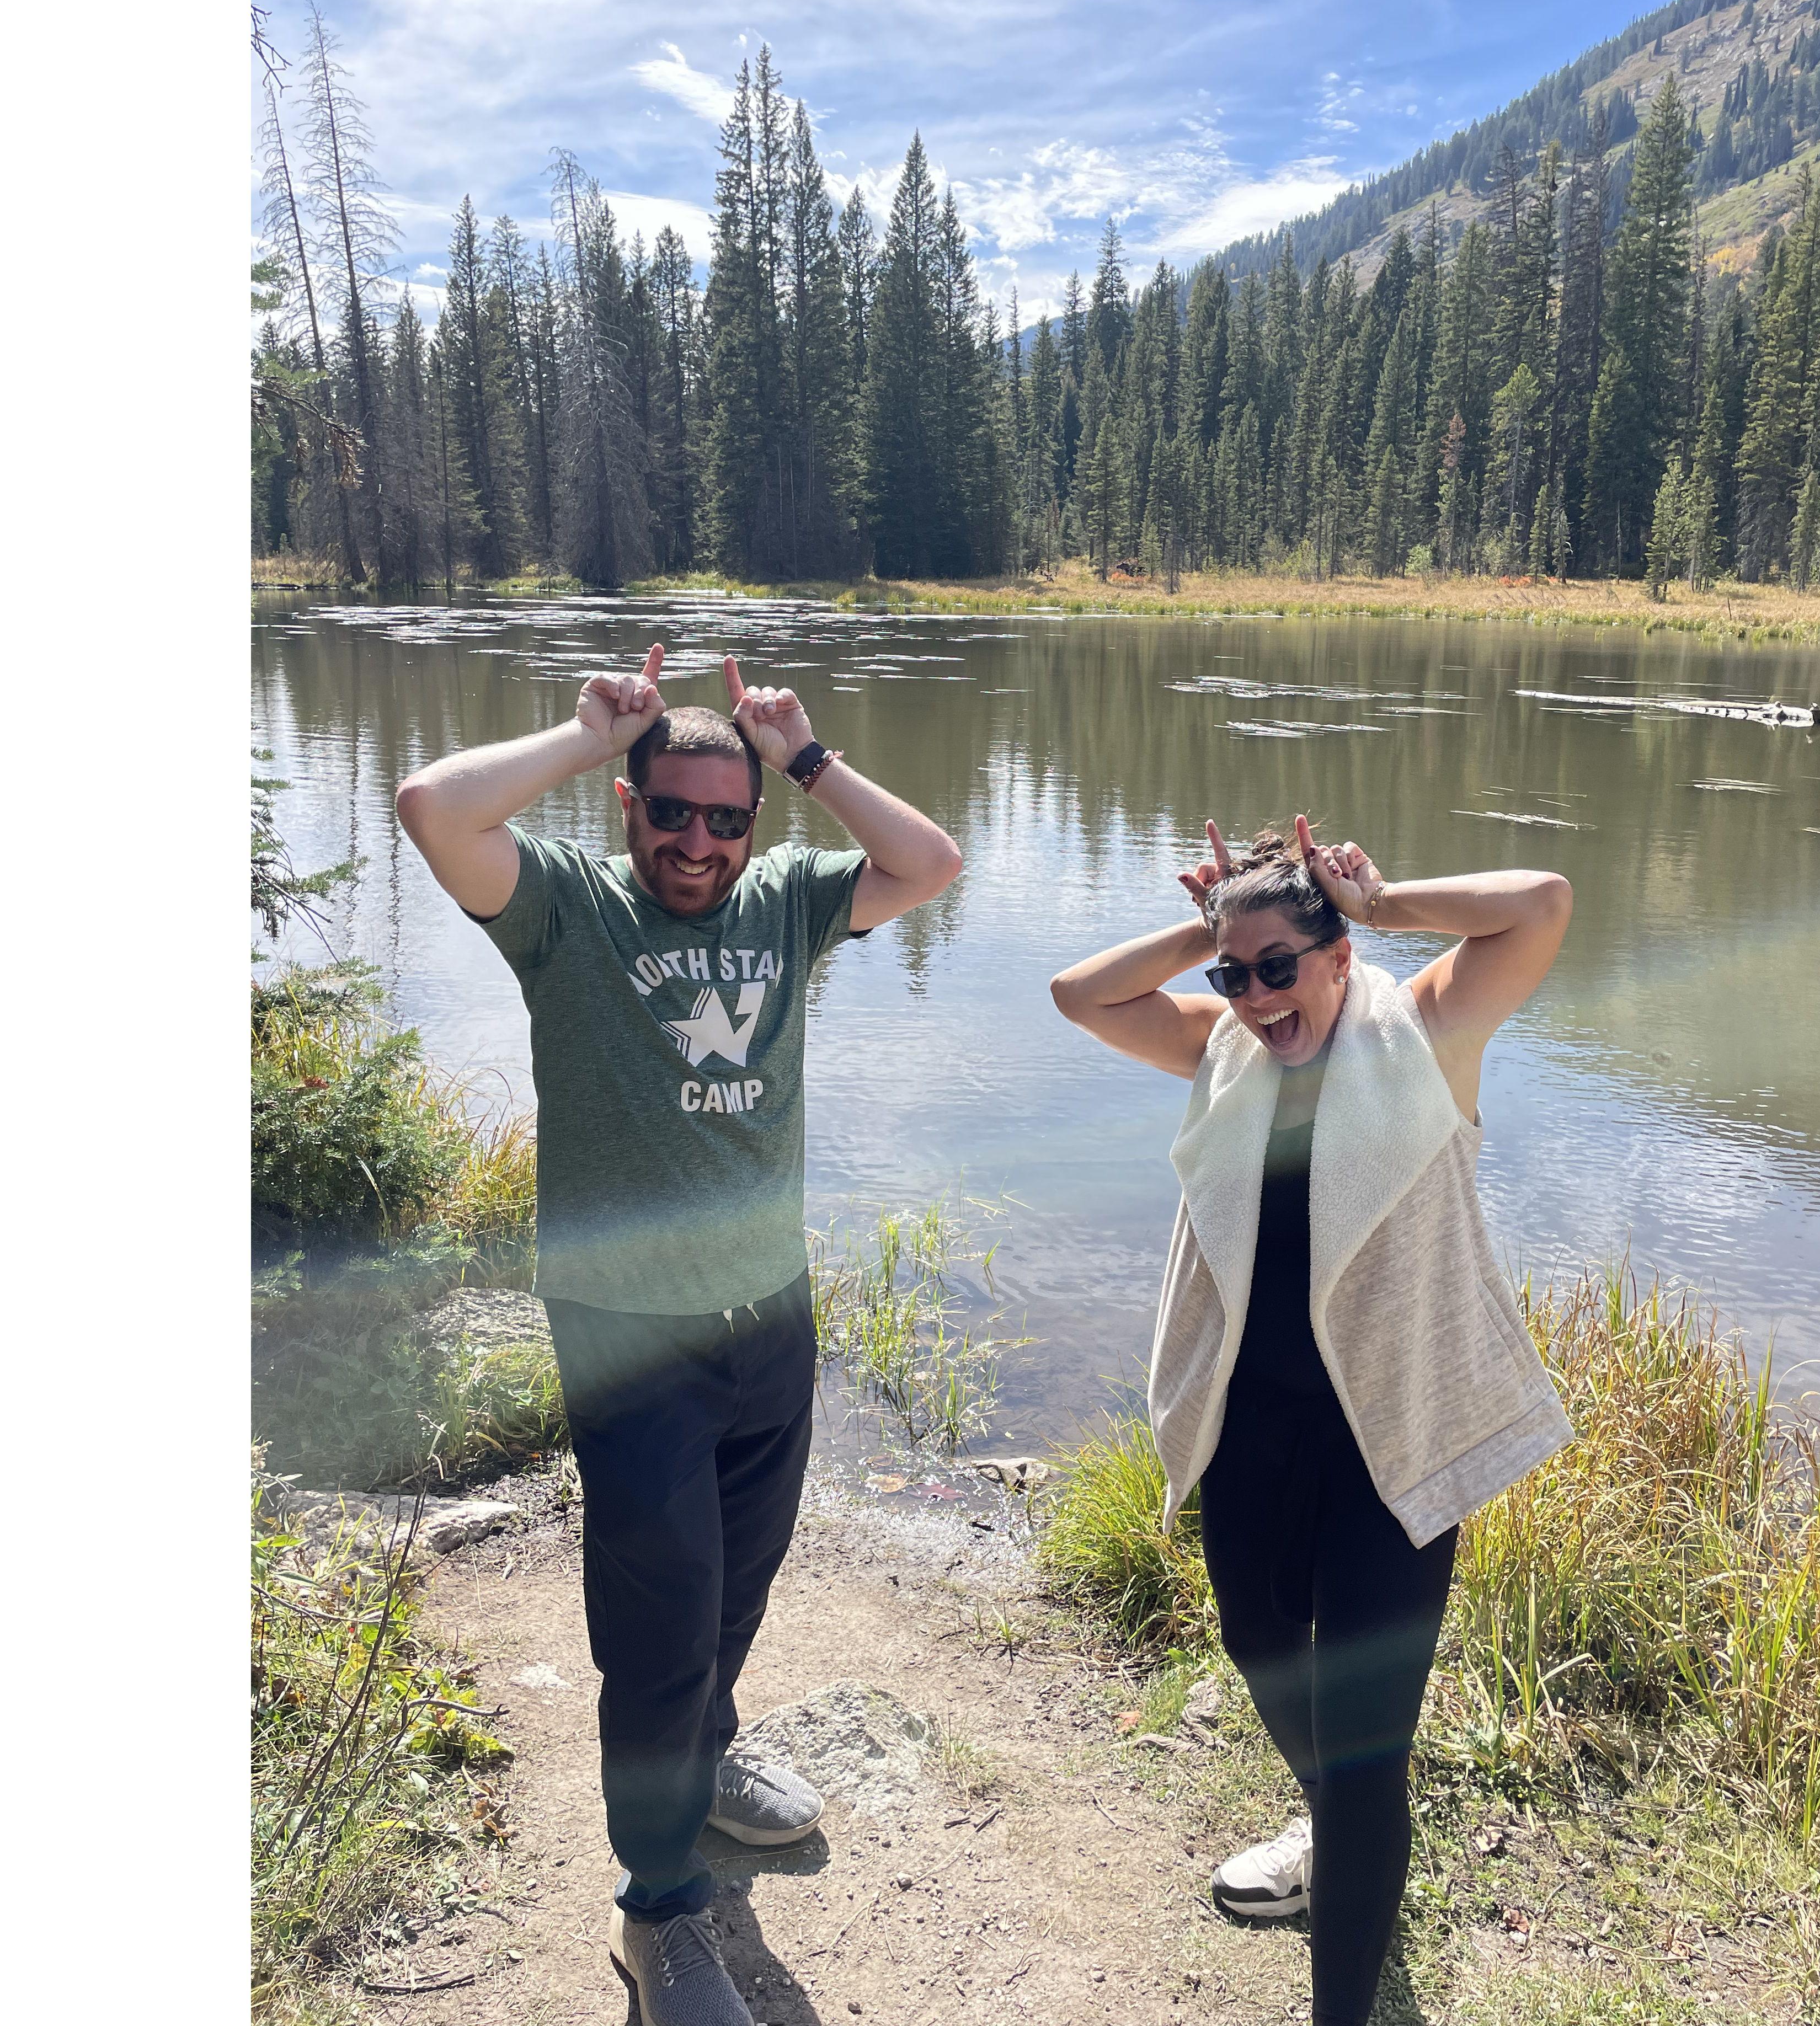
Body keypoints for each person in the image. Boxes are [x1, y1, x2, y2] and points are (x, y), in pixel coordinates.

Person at [396, 643, 962, 2026]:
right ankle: (661, 1911)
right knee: (659, 1625)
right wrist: (593, 735)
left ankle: (703, 1759)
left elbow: (931, 863)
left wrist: (808, 756)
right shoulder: (566, 912)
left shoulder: (786, 903)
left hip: (770, 1320)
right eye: (672, 812)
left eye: (725, 817)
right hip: (629, 1337)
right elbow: (431, 805)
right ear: (629, 811)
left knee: (736, 1591)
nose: (699, 841)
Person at [1049, 817, 1576, 2026]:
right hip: (1254, 1431)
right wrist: (1220, 919)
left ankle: (1347, 1939)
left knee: (1367, 1743)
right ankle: (1335, 1829)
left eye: (1280, 966)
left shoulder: (1427, 1032)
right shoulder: (1221, 1049)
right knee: (1258, 1644)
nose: (1252, 996)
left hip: (1394, 1436)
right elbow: (1079, 994)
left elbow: (1540, 901)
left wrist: (1379, 900)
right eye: (1234, 977)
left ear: (1339, 957)